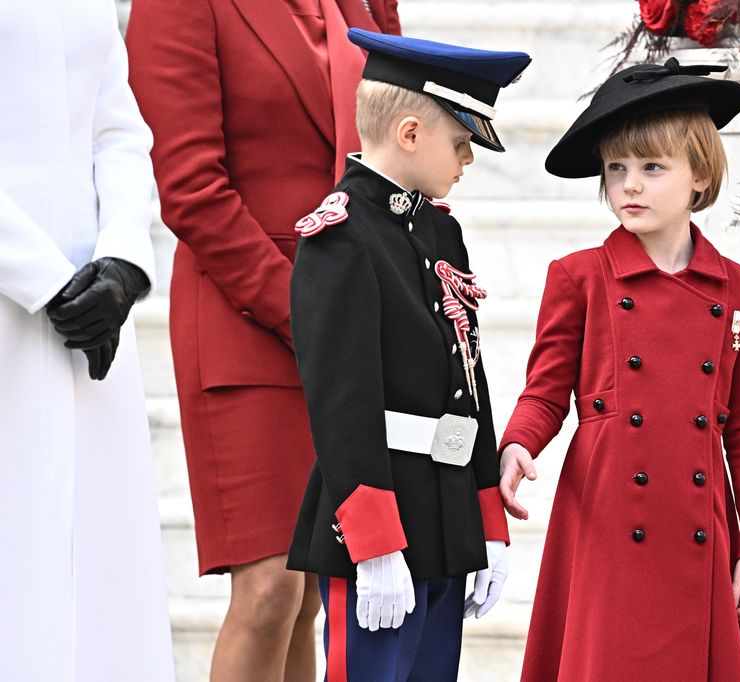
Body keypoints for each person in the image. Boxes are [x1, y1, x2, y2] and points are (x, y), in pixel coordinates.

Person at [125, 2, 399, 680]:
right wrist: (305, 311)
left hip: (349, 315)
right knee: (270, 585)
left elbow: (401, 138)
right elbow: (190, 189)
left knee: (308, 589)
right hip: (242, 315)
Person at [498, 59, 740, 681]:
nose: (631, 185)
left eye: (653, 168)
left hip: (699, 523)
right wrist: (518, 442)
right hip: (607, 518)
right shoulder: (578, 277)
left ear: (699, 175)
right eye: (617, 168)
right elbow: (544, 392)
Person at [287, 28, 530, 680]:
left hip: (445, 515)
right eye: (461, 143)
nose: (469, 160)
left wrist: (488, 521)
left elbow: (468, 385)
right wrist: (373, 547)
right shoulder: (342, 236)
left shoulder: (440, 229)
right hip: (378, 521)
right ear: (411, 133)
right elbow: (343, 402)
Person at [0, 2, 174, 680]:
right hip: (27, 299)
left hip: (92, 313)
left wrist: (125, 259)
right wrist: (43, 281)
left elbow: (117, 128)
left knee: (103, 565)